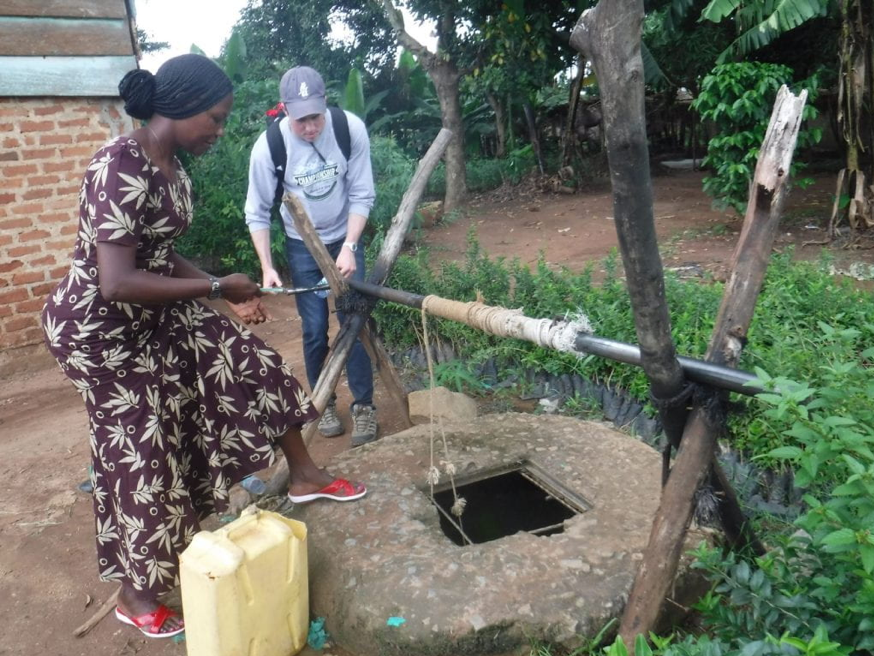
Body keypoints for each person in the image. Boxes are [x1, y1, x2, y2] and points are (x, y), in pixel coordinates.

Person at [41, 54, 366, 640]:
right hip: (101, 332)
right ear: (183, 107)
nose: (219, 130)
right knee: (143, 448)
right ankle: (134, 593)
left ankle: (304, 473)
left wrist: (224, 302)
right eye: (214, 119)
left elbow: (159, 256)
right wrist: (216, 286)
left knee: (248, 361)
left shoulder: (173, 167)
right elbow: (115, 280)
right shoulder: (119, 166)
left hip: (153, 311)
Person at [244, 66, 378, 447]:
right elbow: (257, 211)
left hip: (344, 236)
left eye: (315, 117)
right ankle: (326, 401)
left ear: (325, 104)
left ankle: (364, 406)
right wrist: (267, 266)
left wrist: (351, 245)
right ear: (285, 110)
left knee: (355, 319)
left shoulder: (349, 130)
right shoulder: (269, 147)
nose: (310, 127)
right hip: (302, 245)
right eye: (301, 120)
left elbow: (362, 193)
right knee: (315, 327)